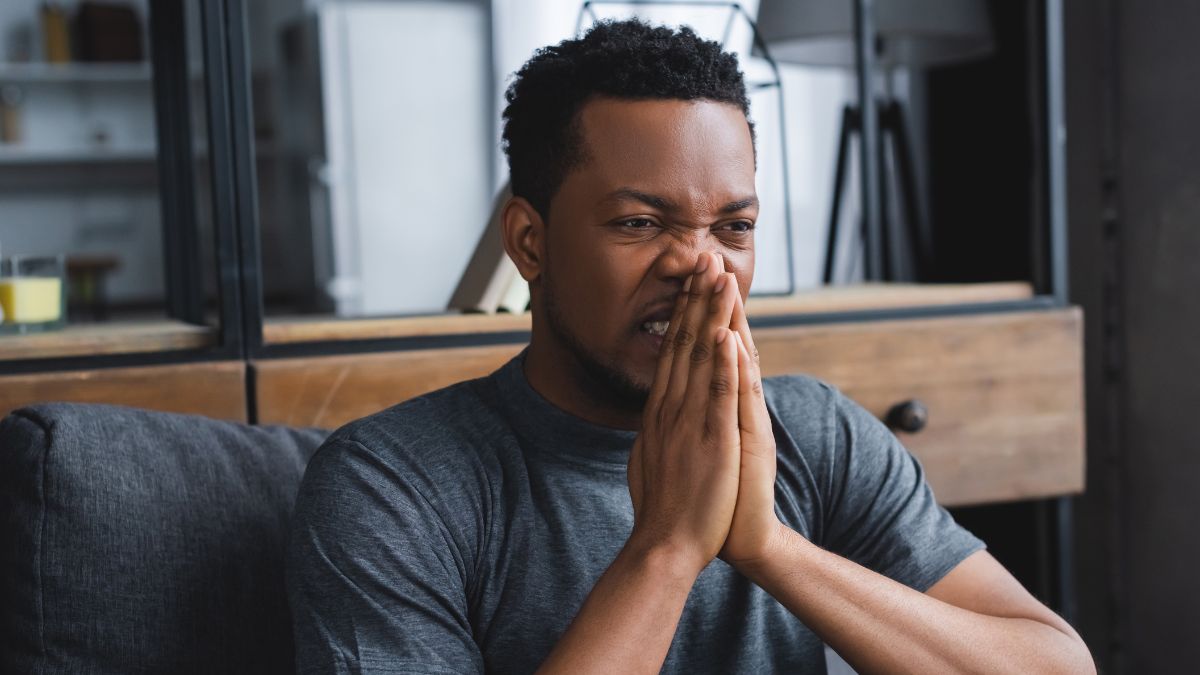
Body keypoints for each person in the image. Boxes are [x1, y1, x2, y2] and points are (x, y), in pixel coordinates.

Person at [286, 19, 1094, 674]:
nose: (701, 266)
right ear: (529, 243)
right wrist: (668, 547)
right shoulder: (395, 487)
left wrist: (770, 548)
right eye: (641, 223)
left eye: (733, 227)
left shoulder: (813, 432)